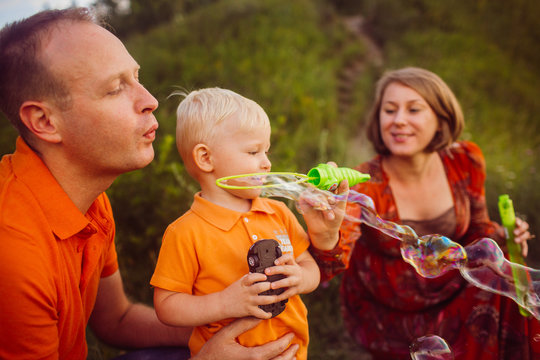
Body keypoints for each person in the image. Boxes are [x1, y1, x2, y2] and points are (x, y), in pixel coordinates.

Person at [0, 8, 299, 360]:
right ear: (44, 121)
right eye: (115, 89)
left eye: (136, 78)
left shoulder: (87, 200)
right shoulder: (14, 252)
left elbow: (117, 320)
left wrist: (236, 331)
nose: (150, 101)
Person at [309, 67, 538, 360]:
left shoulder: (464, 160)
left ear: (441, 119)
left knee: (506, 281)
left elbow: (478, 227)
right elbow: (330, 263)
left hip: (453, 287)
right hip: (391, 310)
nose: (398, 120)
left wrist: (503, 234)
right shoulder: (365, 181)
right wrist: (326, 232)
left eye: (413, 109)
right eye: (389, 110)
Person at [150, 87, 345, 360]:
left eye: (266, 150)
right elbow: (167, 306)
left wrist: (300, 278)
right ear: (206, 158)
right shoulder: (185, 232)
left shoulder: (277, 212)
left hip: (293, 353)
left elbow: (309, 266)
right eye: (254, 151)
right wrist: (225, 303)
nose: (266, 163)